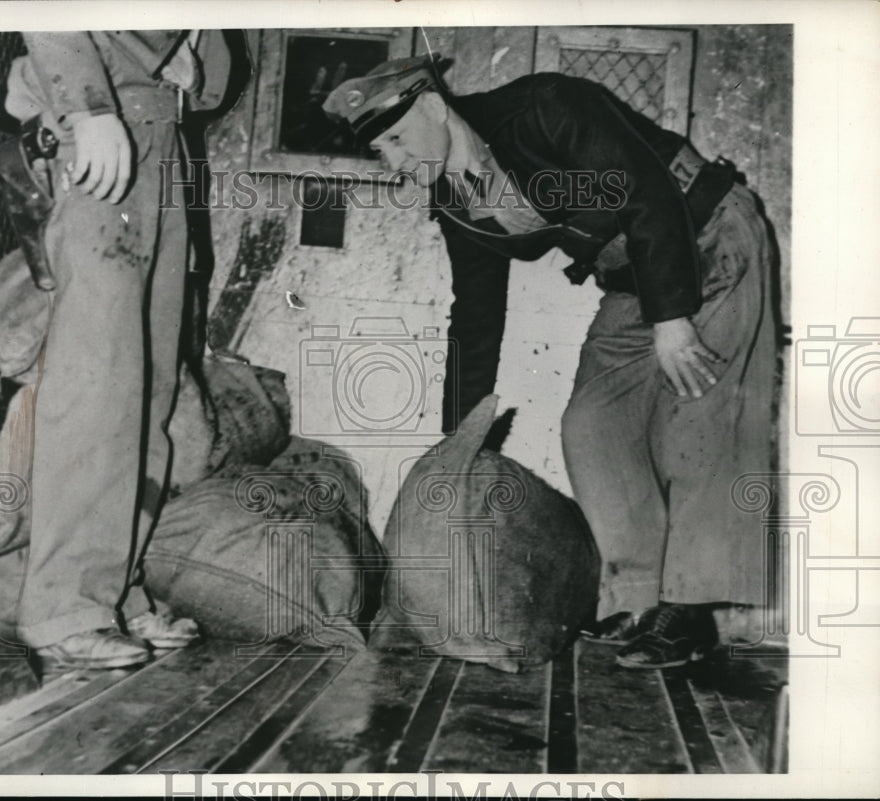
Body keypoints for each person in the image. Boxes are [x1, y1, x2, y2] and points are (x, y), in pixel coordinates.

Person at [323, 55, 776, 669]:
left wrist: (673, 320)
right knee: (591, 423)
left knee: (696, 418)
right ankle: (643, 602)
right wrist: (461, 439)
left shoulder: (545, 109)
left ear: (432, 104)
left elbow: (647, 194)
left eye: (399, 138)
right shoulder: (458, 202)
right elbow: (476, 315)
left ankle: (689, 611)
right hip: (632, 274)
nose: (397, 162)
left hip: (707, 236)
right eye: (383, 152)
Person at [2, 31, 236, 671]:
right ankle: (64, 607)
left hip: (163, 142)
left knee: (150, 394)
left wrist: (198, 65)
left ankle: (115, 590)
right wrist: (88, 107)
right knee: (99, 384)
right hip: (100, 130)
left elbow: (210, 75)